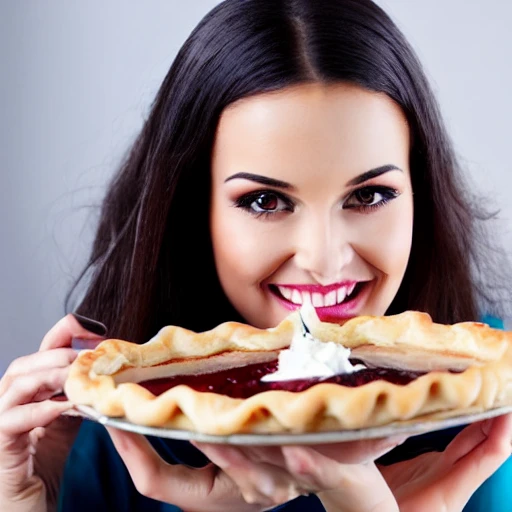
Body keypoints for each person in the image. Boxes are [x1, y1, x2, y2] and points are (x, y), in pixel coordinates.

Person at [1, 0, 511, 510]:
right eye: (266, 201)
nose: (323, 259)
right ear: (193, 208)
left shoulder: (485, 409)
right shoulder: (119, 427)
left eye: (369, 195)